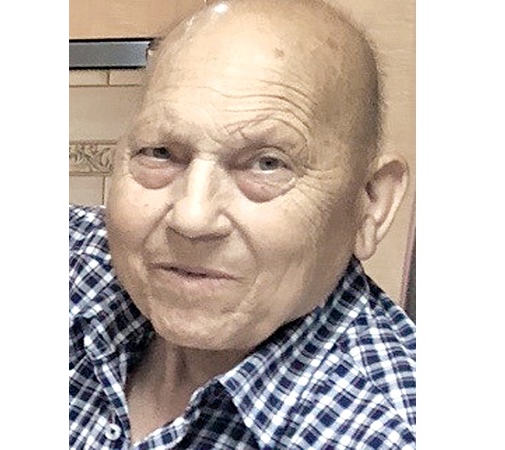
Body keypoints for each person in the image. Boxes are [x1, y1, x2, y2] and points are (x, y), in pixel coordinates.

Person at [69, 0, 415, 448]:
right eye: (160, 153)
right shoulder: (78, 265)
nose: (191, 218)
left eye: (267, 164)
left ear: (371, 203)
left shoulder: (388, 432)